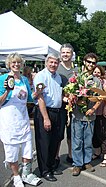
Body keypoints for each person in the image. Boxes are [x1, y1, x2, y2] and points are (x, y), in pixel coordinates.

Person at [0, 53, 41, 187]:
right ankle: (16, 176)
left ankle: (26, 174)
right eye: (14, 63)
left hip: (23, 120)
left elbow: (29, 98)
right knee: (11, 151)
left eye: (18, 63)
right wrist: (7, 90)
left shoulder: (24, 80)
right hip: (9, 120)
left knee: (27, 148)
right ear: (9, 64)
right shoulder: (3, 79)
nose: (16, 65)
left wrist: (38, 92)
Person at [33, 53, 63, 182]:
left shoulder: (58, 78)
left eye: (56, 63)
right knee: (44, 143)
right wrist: (45, 118)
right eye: (51, 62)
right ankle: (44, 170)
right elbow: (40, 98)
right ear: (46, 63)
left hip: (57, 112)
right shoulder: (41, 76)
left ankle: (51, 166)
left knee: (54, 142)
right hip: (44, 111)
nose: (53, 65)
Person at [71, 53, 101, 176]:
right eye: (89, 62)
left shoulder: (96, 81)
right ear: (84, 62)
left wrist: (93, 109)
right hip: (78, 115)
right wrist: (76, 99)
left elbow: (100, 98)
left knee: (88, 141)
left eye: (93, 63)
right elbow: (70, 94)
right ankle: (77, 164)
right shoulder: (77, 78)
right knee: (77, 141)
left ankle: (87, 161)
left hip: (90, 116)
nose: (91, 64)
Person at [55, 43, 78, 167]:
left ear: (72, 54)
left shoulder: (76, 71)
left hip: (73, 107)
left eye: (68, 52)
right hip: (59, 107)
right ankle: (56, 156)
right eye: (63, 52)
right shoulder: (56, 69)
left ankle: (70, 155)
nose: (65, 55)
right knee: (59, 134)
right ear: (60, 54)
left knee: (71, 133)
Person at [92, 65, 106, 167]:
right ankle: (97, 152)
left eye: (98, 72)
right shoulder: (89, 81)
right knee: (93, 135)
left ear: (102, 74)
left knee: (102, 134)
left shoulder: (103, 82)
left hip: (100, 112)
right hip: (91, 112)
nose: (96, 74)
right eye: (94, 72)